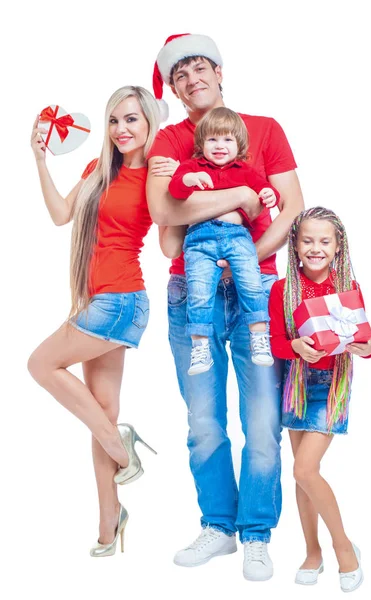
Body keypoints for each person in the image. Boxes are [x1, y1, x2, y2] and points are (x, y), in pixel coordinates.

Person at [146, 33, 304, 581]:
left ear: (219, 70)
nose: (192, 81)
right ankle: (219, 526)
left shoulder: (264, 130)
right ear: (173, 88)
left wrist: (239, 262)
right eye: (179, 75)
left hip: (255, 293)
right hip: (192, 296)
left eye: (199, 68)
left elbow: (291, 210)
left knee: (263, 421)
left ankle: (257, 533)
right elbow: (164, 213)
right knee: (204, 421)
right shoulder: (166, 139)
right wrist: (238, 198)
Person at [28, 86, 162, 557]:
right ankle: (110, 523)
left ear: (149, 123)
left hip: (119, 300)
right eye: (113, 121)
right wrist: (41, 162)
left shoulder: (154, 174)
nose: (121, 129)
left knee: (40, 365)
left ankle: (121, 449)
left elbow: (172, 227)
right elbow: (63, 215)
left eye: (131, 120)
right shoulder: (99, 169)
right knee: (100, 412)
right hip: (102, 299)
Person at [269, 206, 371, 592]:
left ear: (337, 246)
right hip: (297, 384)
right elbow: (278, 342)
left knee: (302, 470)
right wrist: (295, 344)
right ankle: (312, 552)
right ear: (295, 244)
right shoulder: (284, 289)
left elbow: (367, 341)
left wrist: (365, 348)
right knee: (302, 475)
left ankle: (344, 549)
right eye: (308, 241)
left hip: (330, 387)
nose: (315, 248)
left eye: (324, 241)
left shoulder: (347, 287)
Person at [168, 106, 280, 375]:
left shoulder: (245, 171)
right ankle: (200, 347)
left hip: (237, 237)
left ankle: (259, 336)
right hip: (199, 241)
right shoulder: (192, 167)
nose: (220, 146)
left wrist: (268, 194)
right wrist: (189, 178)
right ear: (201, 144)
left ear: (239, 145)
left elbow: (265, 192)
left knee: (251, 283)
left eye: (227, 140)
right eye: (213, 140)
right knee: (199, 292)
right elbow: (174, 189)